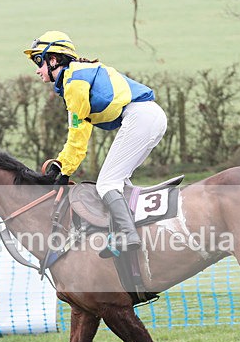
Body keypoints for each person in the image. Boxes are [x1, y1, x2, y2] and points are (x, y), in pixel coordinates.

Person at [23, 31, 167, 259]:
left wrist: (63, 169)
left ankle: (128, 236)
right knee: (119, 182)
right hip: (150, 116)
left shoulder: (74, 82)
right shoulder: (78, 75)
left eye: (39, 61)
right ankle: (132, 232)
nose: (37, 69)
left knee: (106, 184)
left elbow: (78, 134)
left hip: (141, 117)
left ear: (53, 60)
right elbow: (79, 133)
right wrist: (64, 165)